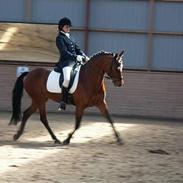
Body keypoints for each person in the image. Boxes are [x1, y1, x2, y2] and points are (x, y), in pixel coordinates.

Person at [55, 17, 89, 110]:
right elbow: (64, 52)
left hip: (76, 61)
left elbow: (78, 49)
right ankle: (63, 101)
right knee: (66, 79)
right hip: (66, 62)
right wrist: (75, 57)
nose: (69, 29)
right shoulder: (59, 38)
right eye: (67, 27)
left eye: (69, 27)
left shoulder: (71, 37)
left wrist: (84, 56)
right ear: (61, 27)